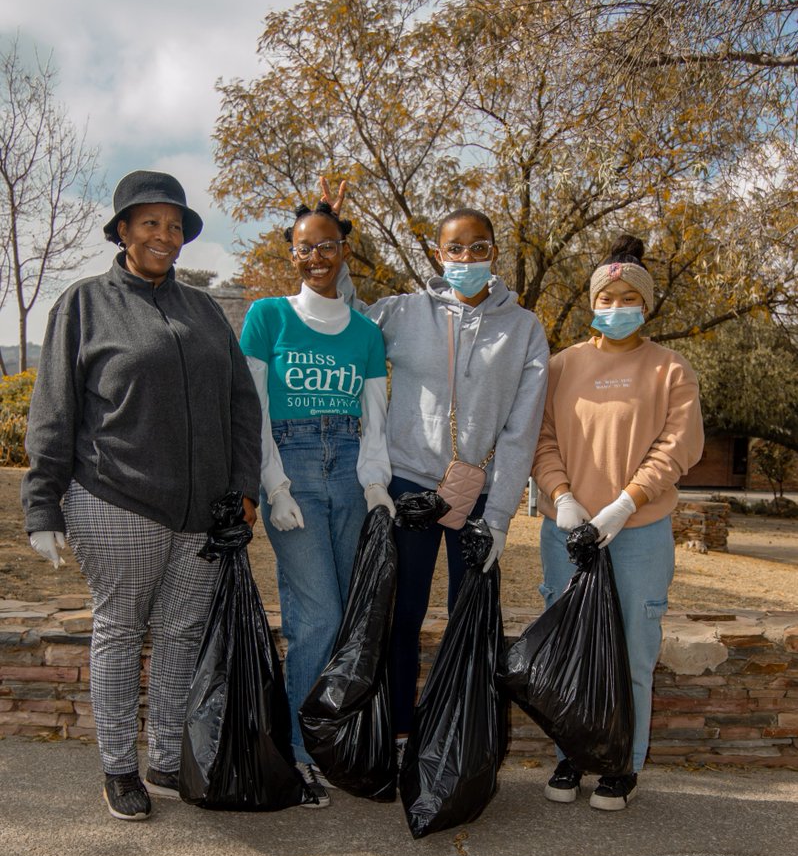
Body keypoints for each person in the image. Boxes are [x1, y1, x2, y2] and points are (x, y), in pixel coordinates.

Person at [22, 170, 263, 822]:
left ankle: (164, 758)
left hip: (203, 511)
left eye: (175, 225)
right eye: (150, 222)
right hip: (115, 496)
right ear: (123, 230)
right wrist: (42, 504)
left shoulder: (205, 310)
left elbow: (243, 403)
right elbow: (52, 409)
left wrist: (245, 487)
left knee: (183, 631)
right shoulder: (83, 304)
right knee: (121, 628)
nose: (165, 235)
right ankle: (118, 769)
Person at [322, 180, 549, 762]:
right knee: (404, 614)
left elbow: (522, 429)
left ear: (493, 253)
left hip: (479, 494)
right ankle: (399, 731)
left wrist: (499, 517)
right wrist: (331, 233)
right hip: (409, 487)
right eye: (455, 249)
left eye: (478, 248)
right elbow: (344, 320)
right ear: (439, 255)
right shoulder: (403, 311)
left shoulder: (523, 328)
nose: (466, 259)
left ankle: (464, 734)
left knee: (473, 618)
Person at [532, 234, 704, 811]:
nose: (617, 306)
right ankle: (570, 756)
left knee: (632, 651)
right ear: (592, 303)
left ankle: (620, 766)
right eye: (608, 297)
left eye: (630, 296)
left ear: (647, 305)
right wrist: (563, 498)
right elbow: (542, 438)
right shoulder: (562, 366)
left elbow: (678, 445)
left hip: (640, 534)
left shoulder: (669, 370)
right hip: (568, 533)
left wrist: (625, 503)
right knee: (569, 648)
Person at [238, 201, 392, 806]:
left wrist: (376, 484)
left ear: (343, 252)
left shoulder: (366, 332)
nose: (316, 256)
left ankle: (343, 739)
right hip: (293, 467)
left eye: (327, 245)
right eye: (304, 246)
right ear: (292, 253)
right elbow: (253, 411)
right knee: (316, 616)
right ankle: (304, 753)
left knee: (352, 613)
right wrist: (273, 486)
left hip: (353, 471)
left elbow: (375, 418)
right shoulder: (267, 317)